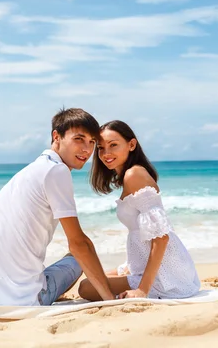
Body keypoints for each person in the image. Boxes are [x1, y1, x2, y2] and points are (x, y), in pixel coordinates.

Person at [0, 108, 116, 308]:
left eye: (92, 142)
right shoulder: (57, 171)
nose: (87, 149)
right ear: (56, 136)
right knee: (78, 258)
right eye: (79, 139)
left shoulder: (30, 171)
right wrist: (110, 299)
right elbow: (78, 244)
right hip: (20, 298)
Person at [78, 120, 200, 300]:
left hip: (166, 276)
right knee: (95, 278)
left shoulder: (134, 175)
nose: (106, 153)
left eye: (113, 145)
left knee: (86, 288)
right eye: (101, 148)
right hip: (145, 266)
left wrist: (142, 290)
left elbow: (161, 237)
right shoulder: (130, 175)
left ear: (131, 144)